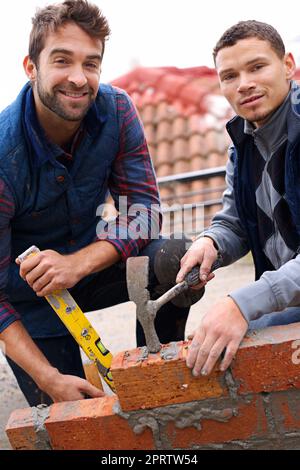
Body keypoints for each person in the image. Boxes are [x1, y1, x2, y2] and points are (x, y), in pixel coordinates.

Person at [0, 0, 190, 406]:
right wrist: (49, 379)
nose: (78, 78)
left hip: (91, 268)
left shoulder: (116, 110)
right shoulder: (3, 155)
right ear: (31, 67)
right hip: (31, 301)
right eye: (62, 60)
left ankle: (162, 386)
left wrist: (77, 264)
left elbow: (144, 211)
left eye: (91, 63)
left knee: (175, 259)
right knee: (75, 415)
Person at [176, 20, 300, 378]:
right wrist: (211, 242)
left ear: (288, 65)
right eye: (229, 76)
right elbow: (234, 221)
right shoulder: (243, 142)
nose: (243, 83)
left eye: (257, 67)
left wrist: (242, 304)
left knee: (235, 343)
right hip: (290, 295)